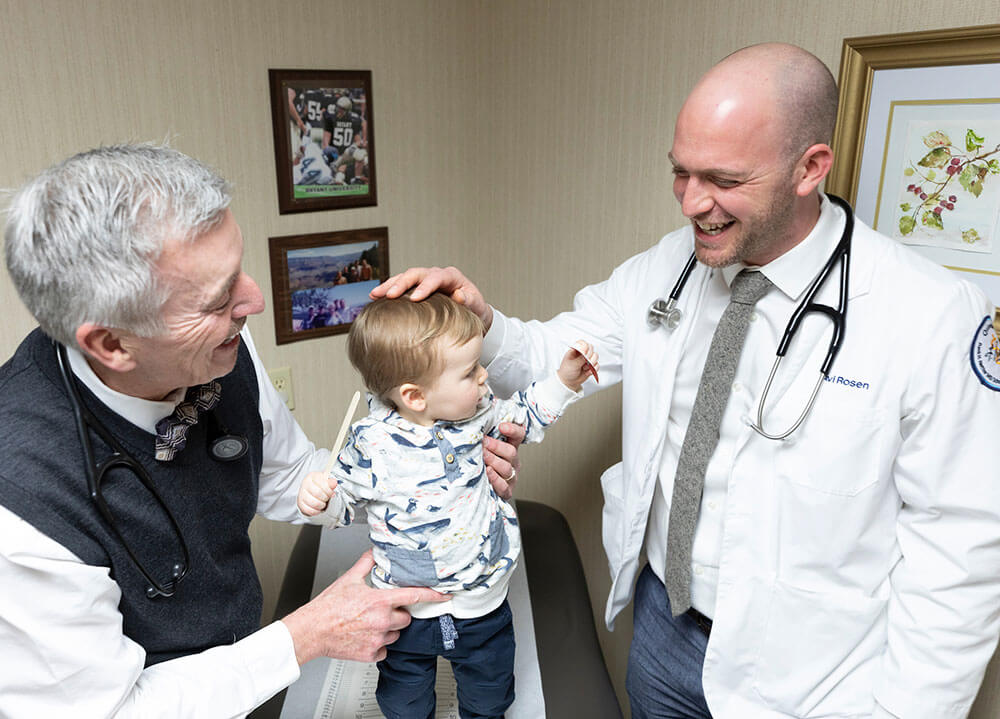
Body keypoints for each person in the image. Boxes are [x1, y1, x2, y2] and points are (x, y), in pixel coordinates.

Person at [372, 43, 1000, 719]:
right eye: (681, 173)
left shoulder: (931, 315)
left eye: (723, 179)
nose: (693, 202)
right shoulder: (667, 267)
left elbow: (960, 556)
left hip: (816, 681)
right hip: (664, 631)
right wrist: (484, 321)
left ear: (809, 168)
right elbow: (555, 354)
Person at [0, 143, 524, 717]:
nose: (252, 302)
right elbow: (109, 711)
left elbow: (288, 475)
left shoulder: (220, 349)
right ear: (112, 343)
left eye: (238, 273)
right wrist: (304, 637)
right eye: (219, 298)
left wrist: (428, 474)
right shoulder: (21, 505)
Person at [296, 293, 598, 719]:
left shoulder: (481, 409)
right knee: (403, 700)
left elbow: (525, 414)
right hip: (406, 606)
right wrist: (319, 500)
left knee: (489, 694)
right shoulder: (371, 443)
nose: (484, 376)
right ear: (414, 396)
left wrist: (565, 381)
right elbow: (343, 505)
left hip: (482, 602)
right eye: (469, 371)